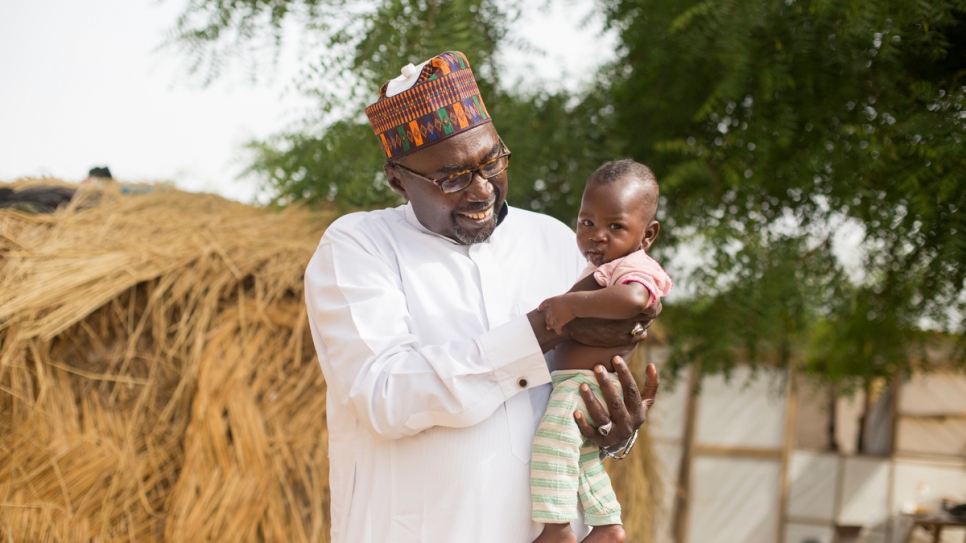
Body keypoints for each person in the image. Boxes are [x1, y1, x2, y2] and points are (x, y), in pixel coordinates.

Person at [304, 51, 660, 543]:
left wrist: (613, 431)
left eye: (491, 161)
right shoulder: (359, 246)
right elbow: (386, 395)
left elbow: (572, 386)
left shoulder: (554, 240)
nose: (481, 191)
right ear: (397, 179)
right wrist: (543, 326)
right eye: (451, 177)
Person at [530, 160, 672, 543]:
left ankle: (556, 527)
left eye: (616, 226)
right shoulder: (608, 264)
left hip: (583, 381)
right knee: (582, 459)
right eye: (587, 222)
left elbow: (637, 296)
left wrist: (573, 305)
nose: (596, 236)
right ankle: (607, 523)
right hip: (579, 381)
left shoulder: (633, 266)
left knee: (554, 443)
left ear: (647, 235)